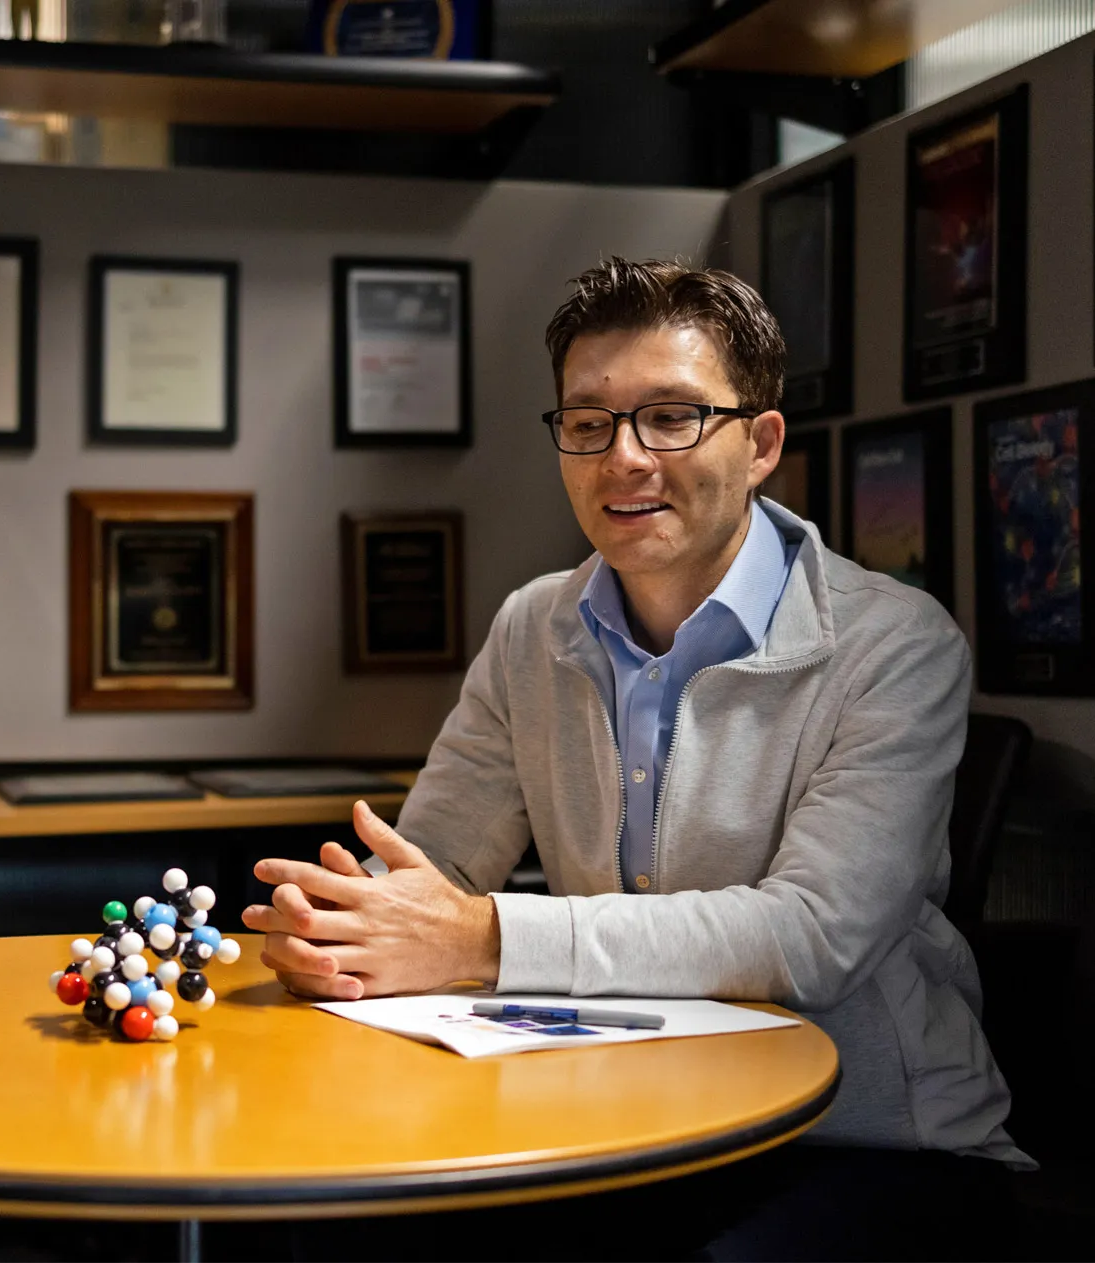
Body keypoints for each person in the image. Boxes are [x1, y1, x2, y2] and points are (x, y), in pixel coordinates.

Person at [244, 259, 1027, 1256]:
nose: (622, 458)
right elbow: (428, 873)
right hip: (609, 1130)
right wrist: (340, 933)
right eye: (586, 421)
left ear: (760, 445)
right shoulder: (531, 626)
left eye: (670, 416)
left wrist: (482, 939)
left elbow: (810, 940)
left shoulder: (892, 643)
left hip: (870, 1144)